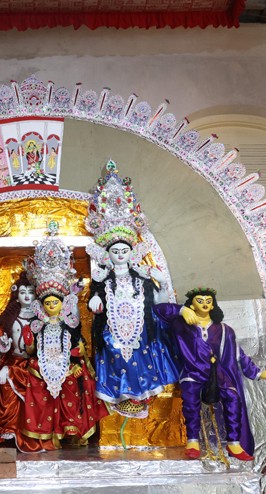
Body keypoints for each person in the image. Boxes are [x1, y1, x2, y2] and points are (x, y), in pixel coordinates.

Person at [84, 160, 180, 431]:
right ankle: (119, 398)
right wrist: (96, 298)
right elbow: (96, 305)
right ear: (107, 254)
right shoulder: (102, 280)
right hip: (112, 333)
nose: (120, 255)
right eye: (115, 251)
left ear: (131, 251)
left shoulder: (142, 278)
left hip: (140, 332)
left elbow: (160, 307)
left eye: (124, 250)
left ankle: (138, 400)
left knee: (141, 358)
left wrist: (160, 285)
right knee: (113, 354)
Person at [155, 287, 266, 461]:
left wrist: (258, 373)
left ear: (213, 305)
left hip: (217, 372)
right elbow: (157, 310)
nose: (204, 304)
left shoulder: (224, 329)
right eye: (200, 300)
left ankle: (234, 442)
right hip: (193, 370)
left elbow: (238, 353)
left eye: (208, 301)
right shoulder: (180, 324)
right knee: (190, 399)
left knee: (233, 397)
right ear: (192, 304)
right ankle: (193, 441)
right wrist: (181, 310)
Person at [20, 221, 108, 448]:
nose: (51, 306)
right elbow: (31, 350)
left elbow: (77, 344)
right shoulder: (37, 324)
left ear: (62, 303)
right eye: (47, 302)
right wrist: (29, 343)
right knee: (37, 381)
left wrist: (75, 360)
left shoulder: (69, 322)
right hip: (43, 366)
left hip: (67, 366)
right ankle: (48, 433)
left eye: (55, 302)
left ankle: (70, 429)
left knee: (72, 383)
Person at [0, 273, 50, 452]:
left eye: (31, 292)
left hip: (36, 365)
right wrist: (2, 349)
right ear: (16, 294)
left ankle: (28, 433)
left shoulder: (43, 318)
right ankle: (10, 429)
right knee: (2, 384)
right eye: (23, 292)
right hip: (12, 362)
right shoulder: (8, 318)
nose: (27, 296)